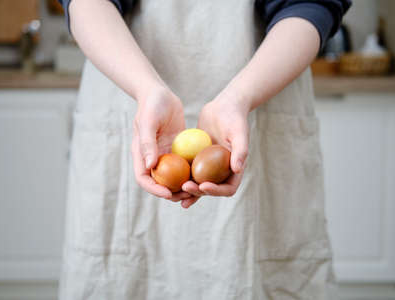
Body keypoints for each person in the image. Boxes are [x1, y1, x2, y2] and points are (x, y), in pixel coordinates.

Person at [58, 0, 351, 299]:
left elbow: (310, 5)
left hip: (263, 94)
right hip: (129, 92)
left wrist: (240, 96)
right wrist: (147, 90)